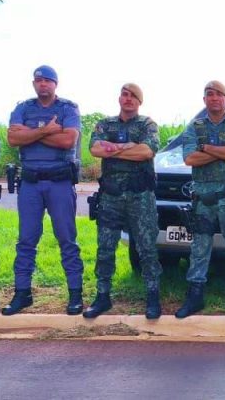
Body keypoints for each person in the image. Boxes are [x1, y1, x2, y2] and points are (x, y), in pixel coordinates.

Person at [3, 65, 84, 316]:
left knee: (67, 239)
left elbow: (68, 140)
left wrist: (31, 133)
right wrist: (46, 131)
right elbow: (13, 138)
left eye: (48, 80)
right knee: (26, 240)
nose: (43, 84)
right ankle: (22, 293)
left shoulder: (67, 108)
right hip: (30, 184)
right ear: (34, 84)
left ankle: (75, 294)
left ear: (55, 84)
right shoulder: (23, 108)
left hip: (59, 182)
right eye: (39, 80)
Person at [175, 80, 225, 320]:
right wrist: (222, 151)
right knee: (199, 248)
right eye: (210, 94)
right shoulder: (194, 126)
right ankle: (195, 296)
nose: (215, 98)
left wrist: (206, 148)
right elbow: (190, 159)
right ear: (205, 99)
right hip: (203, 197)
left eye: (219, 94)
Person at [84, 83, 163, 319]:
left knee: (147, 247)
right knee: (105, 247)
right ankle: (102, 296)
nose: (128, 99)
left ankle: (152, 296)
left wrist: (114, 149)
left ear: (139, 102)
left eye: (133, 97)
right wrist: (126, 147)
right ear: (119, 99)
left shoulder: (147, 124)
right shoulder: (105, 124)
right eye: (124, 95)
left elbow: (146, 152)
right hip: (111, 195)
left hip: (140, 196)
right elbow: (95, 149)